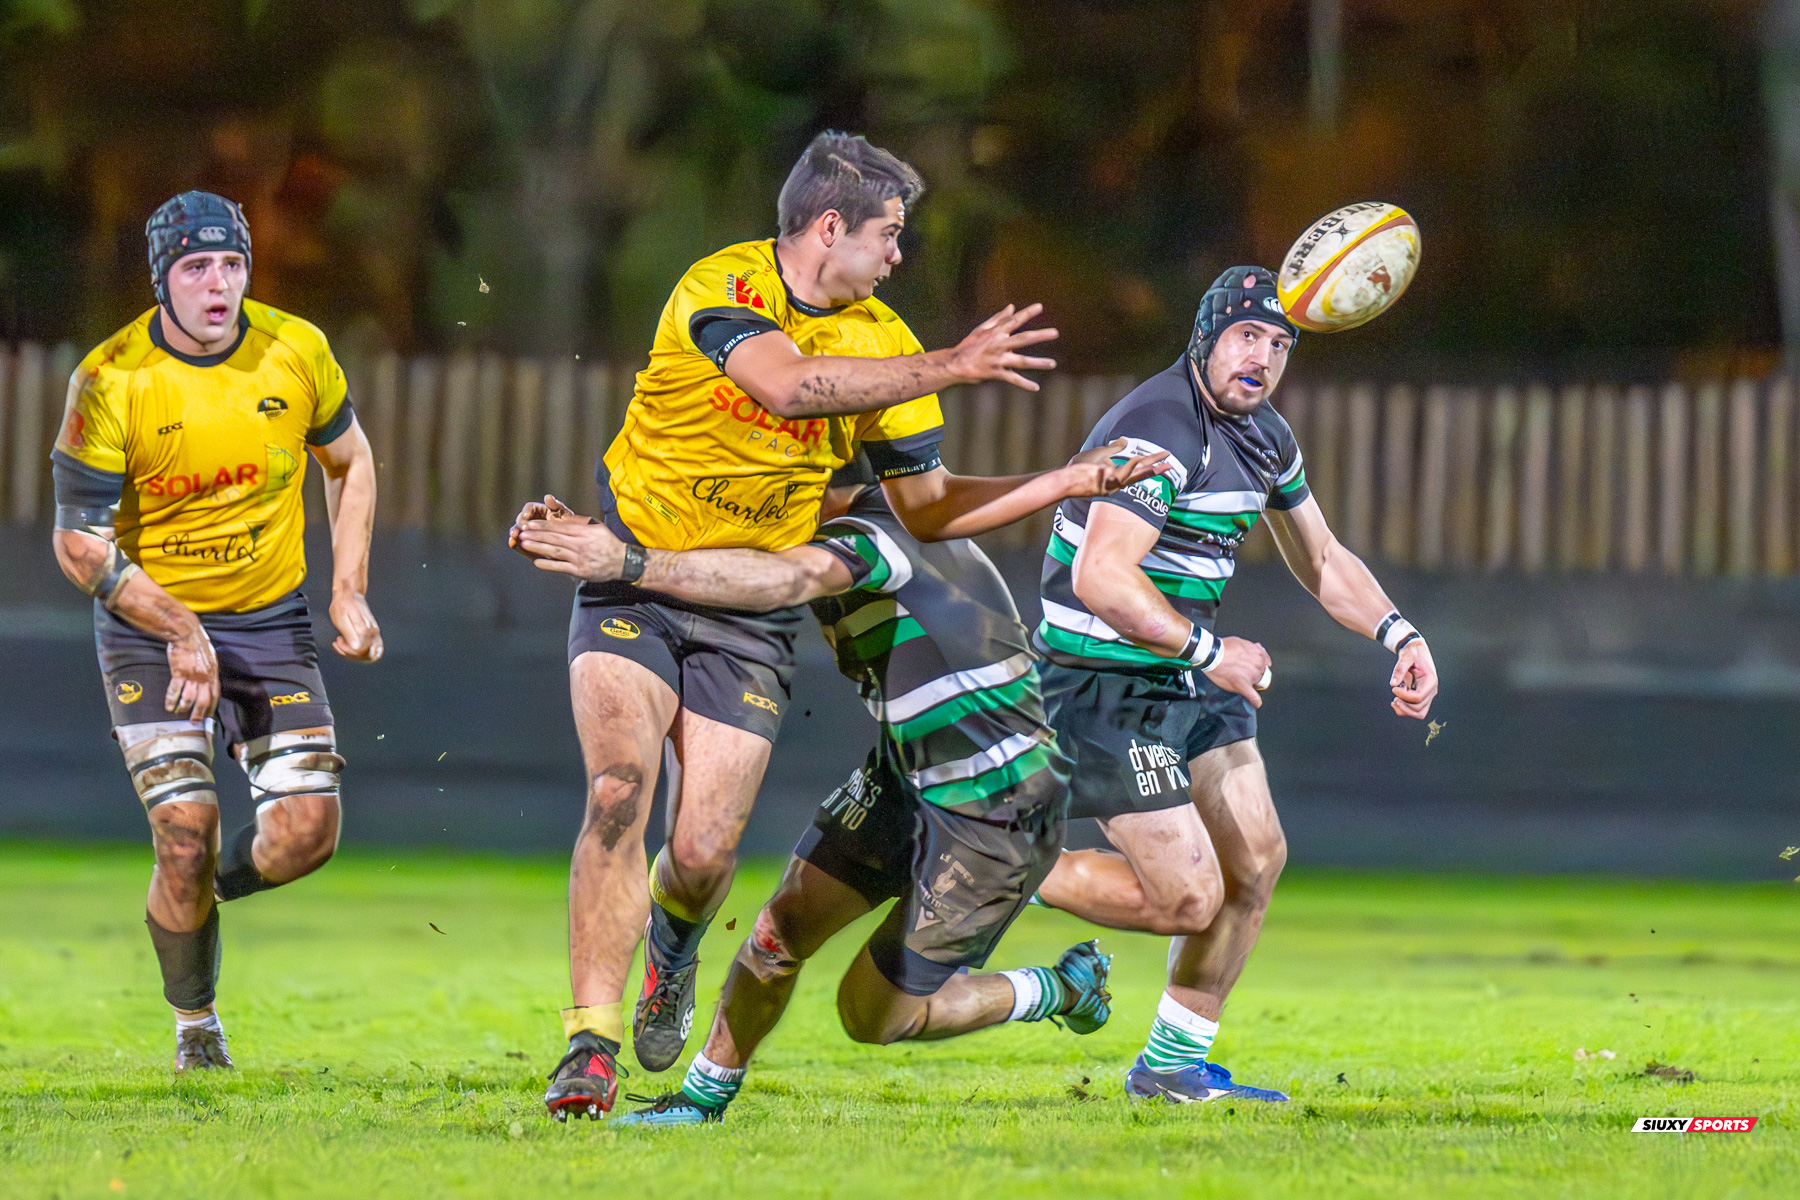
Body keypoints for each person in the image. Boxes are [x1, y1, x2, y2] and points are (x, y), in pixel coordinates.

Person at [507, 128, 1163, 1122]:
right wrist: (953, 365)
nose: (899, 256)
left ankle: (674, 956)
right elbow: (785, 385)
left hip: (747, 611)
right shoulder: (720, 288)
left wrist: (1067, 480)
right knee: (616, 790)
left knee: (704, 860)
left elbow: (930, 507)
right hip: (634, 583)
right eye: (889, 235)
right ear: (827, 227)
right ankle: (589, 1048)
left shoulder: (884, 357)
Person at [516, 454, 1120, 1126]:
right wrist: (587, 534)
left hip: (996, 806)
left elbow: (779, 576)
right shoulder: (833, 526)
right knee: (778, 931)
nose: (755, 501)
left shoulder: (878, 533)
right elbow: (717, 539)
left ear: (816, 488)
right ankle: (701, 1101)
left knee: (871, 1016)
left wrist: (625, 561)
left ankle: (1061, 989)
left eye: (776, 487)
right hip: (905, 777)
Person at [1027, 266, 1440, 1103]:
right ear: (1207, 337)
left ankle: (1171, 1067)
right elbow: (1102, 578)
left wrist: (1401, 633)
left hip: (1185, 667)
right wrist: (1212, 652)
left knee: (1256, 859)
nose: (1263, 358)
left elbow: (1320, 558)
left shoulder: (1264, 436)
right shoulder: (1158, 428)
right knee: (1187, 897)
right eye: (1247, 337)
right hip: (1103, 677)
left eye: (1280, 343)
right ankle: (992, 857)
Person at [48, 191, 382, 1071]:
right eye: (196, 267)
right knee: (186, 827)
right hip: (149, 627)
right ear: (163, 279)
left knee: (309, 832)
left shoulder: (296, 349)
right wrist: (177, 625)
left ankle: (194, 897)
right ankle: (197, 1024)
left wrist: (348, 592)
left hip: (270, 622)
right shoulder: (111, 378)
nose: (218, 284)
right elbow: (78, 543)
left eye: (231, 264)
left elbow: (350, 462)